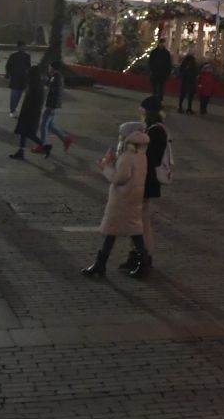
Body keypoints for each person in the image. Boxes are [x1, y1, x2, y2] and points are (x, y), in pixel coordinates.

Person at [83, 124, 151, 278]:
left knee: (116, 229)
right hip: (133, 196)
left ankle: (101, 264)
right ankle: (142, 263)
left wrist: (105, 166)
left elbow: (119, 178)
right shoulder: (141, 154)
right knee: (130, 230)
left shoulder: (127, 156)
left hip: (122, 198)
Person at [121, 105, 169, 275]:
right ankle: (135, 256)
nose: (141, 115)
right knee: (137, 221)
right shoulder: (154, 130)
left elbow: (150, 158)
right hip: (144, 182)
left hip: (145, 182)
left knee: (141, 222)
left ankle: (144, 258)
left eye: (143, 112)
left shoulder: (155, 131)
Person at [11, 68, 51, 159]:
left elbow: (31, 101)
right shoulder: (36, 84)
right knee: (23, 133)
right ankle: (21, 152)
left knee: (29, 133)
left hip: (29, 114)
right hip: (30, 113)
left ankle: (45, 146)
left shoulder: (35, 86)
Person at [38, 61, 75, 152]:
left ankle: (44, 145)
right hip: (54, 105)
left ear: (53, 67)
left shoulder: (56, 78)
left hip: (52, 105)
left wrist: (53, 107)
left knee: (44, 125)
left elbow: (57, 93)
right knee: (50, 125)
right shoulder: (56, 77)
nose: (48, 68)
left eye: (50, 66)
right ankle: (65, 139)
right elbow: (51, 86)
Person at [5, 43, 33, 116]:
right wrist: (9, 74)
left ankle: (14, 109)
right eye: (22, 47)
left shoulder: (27, 56)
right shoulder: (13, 56)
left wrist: (28, 76)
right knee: (14, 95)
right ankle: (12, 110)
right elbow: (8, 66)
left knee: (18, 95)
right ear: (18, 47)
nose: (24, 48)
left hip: (22, 78)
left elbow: (28, 67)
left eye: (24, 46)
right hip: (15, 77)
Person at [145, 41, 173, 111]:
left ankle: (160, 102)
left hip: (162, 74)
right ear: (159, 44)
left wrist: (167, 73)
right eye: (161, 44)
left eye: (163, 44)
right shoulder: (154, 52)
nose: (162, 45)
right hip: (155, 73)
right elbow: (150, 62)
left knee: (161, 89)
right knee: (154, 89)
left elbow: (168, 64)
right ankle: (154, 102)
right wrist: (151, 70)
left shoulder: (166, 53)